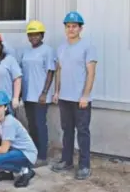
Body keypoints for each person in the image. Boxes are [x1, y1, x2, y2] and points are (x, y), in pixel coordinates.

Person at [51, 11, 97, 180]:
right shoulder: (61, 48)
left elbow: (91, 73)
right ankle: (67, 160)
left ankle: (84, 166)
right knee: (67, 131)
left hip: (80, 100)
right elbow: (59, 70)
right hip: (64, 97)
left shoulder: (88, 47)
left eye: (74, 26)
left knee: (83, 132)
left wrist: (85, 95)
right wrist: (57, 91)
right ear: (65, 28)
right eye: (68, 26)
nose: (71, 29)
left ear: (80, 28)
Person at [0, 91, 37, 188]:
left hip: (26, 153)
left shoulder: (9, 122)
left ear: (5, 107)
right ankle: (8, 172)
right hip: (14, 148)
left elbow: (3, 149)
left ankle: (26, 171)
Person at [20, 20, 56, 167]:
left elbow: (50, 71)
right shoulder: (26, 51)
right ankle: (33, 152)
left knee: (40, 124)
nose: (33, 37)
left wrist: (44, 92)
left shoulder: (47, 50)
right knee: (32, 124)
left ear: (42, 35)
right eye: (31, 34)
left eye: (36, 34)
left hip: (40, 95)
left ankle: (42, 156)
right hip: (28, 95)